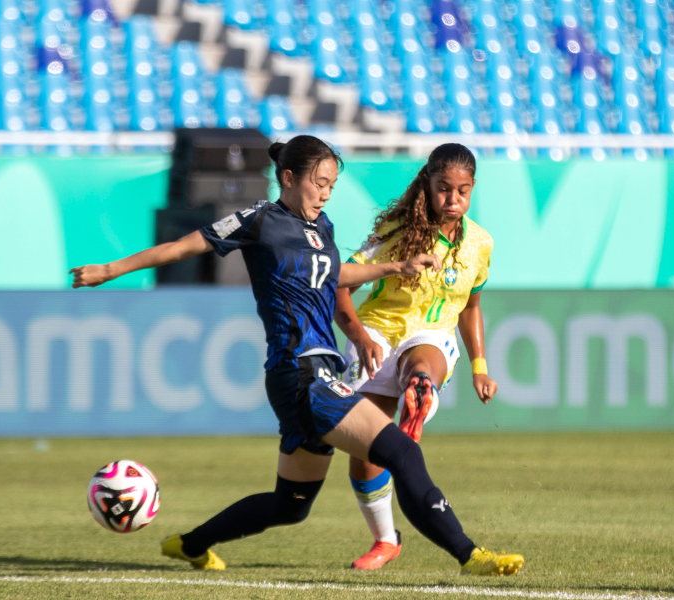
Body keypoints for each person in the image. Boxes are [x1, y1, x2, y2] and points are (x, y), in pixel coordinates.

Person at [70, 135, 523, 576]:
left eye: (331, 186)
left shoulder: (319, 227)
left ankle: (189, 545)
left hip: (317, 370)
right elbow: (186, 245)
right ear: (288, 178)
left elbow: (335, 273)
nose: (325, 195)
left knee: (290, 506)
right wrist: (109, 270)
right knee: (401, 452)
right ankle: (470, 555)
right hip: (300, 372)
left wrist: (394, 267)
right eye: (319, 183)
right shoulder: (260, 221)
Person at [333, 143, 499, 570]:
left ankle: (419, 390)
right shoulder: (396, 230)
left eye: (463, 191)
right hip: (378, 333)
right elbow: (339, 282)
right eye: (444, 189)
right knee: (366, 450)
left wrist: (480, 365)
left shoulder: (480, 244)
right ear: (427, 184)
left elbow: (472, 307)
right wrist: (356, 334)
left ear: (473, 188)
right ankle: (385, 540)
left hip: (432, 335)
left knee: (422, 363)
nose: (453, 200)